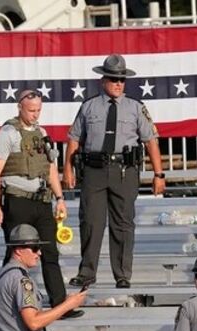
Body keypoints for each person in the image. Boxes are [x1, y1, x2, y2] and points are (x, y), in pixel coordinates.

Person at [62, 53, 166, 289]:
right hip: (94, 170)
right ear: (103, 80)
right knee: (91, 222)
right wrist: (67, 168)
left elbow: (151, 141)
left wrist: (159, 174)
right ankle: (87, 272)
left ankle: (122, 274)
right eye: (113, 79)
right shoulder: (89, 106)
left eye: (122, 80)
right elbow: (74, 139)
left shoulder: (136, 108)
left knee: (122, 223)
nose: (118, 84)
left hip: (124, 170)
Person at [0, 89, 82, 319]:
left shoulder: (42, 133)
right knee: (15, 253)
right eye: (31, 110)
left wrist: (59, 198)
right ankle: (3, 302)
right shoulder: (7, 133)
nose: (35, 114)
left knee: (50, 252)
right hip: (16, 200)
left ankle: (59, 303)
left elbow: (50, 169)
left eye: (38, 110)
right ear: (20, 107)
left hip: (41, 201)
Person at [0, 224, 88, 331]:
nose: (39, 253)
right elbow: (33, 323)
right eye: (34, 248)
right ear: (19, 250)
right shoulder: (22, 280)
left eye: (39, 247)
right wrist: (67, 305)